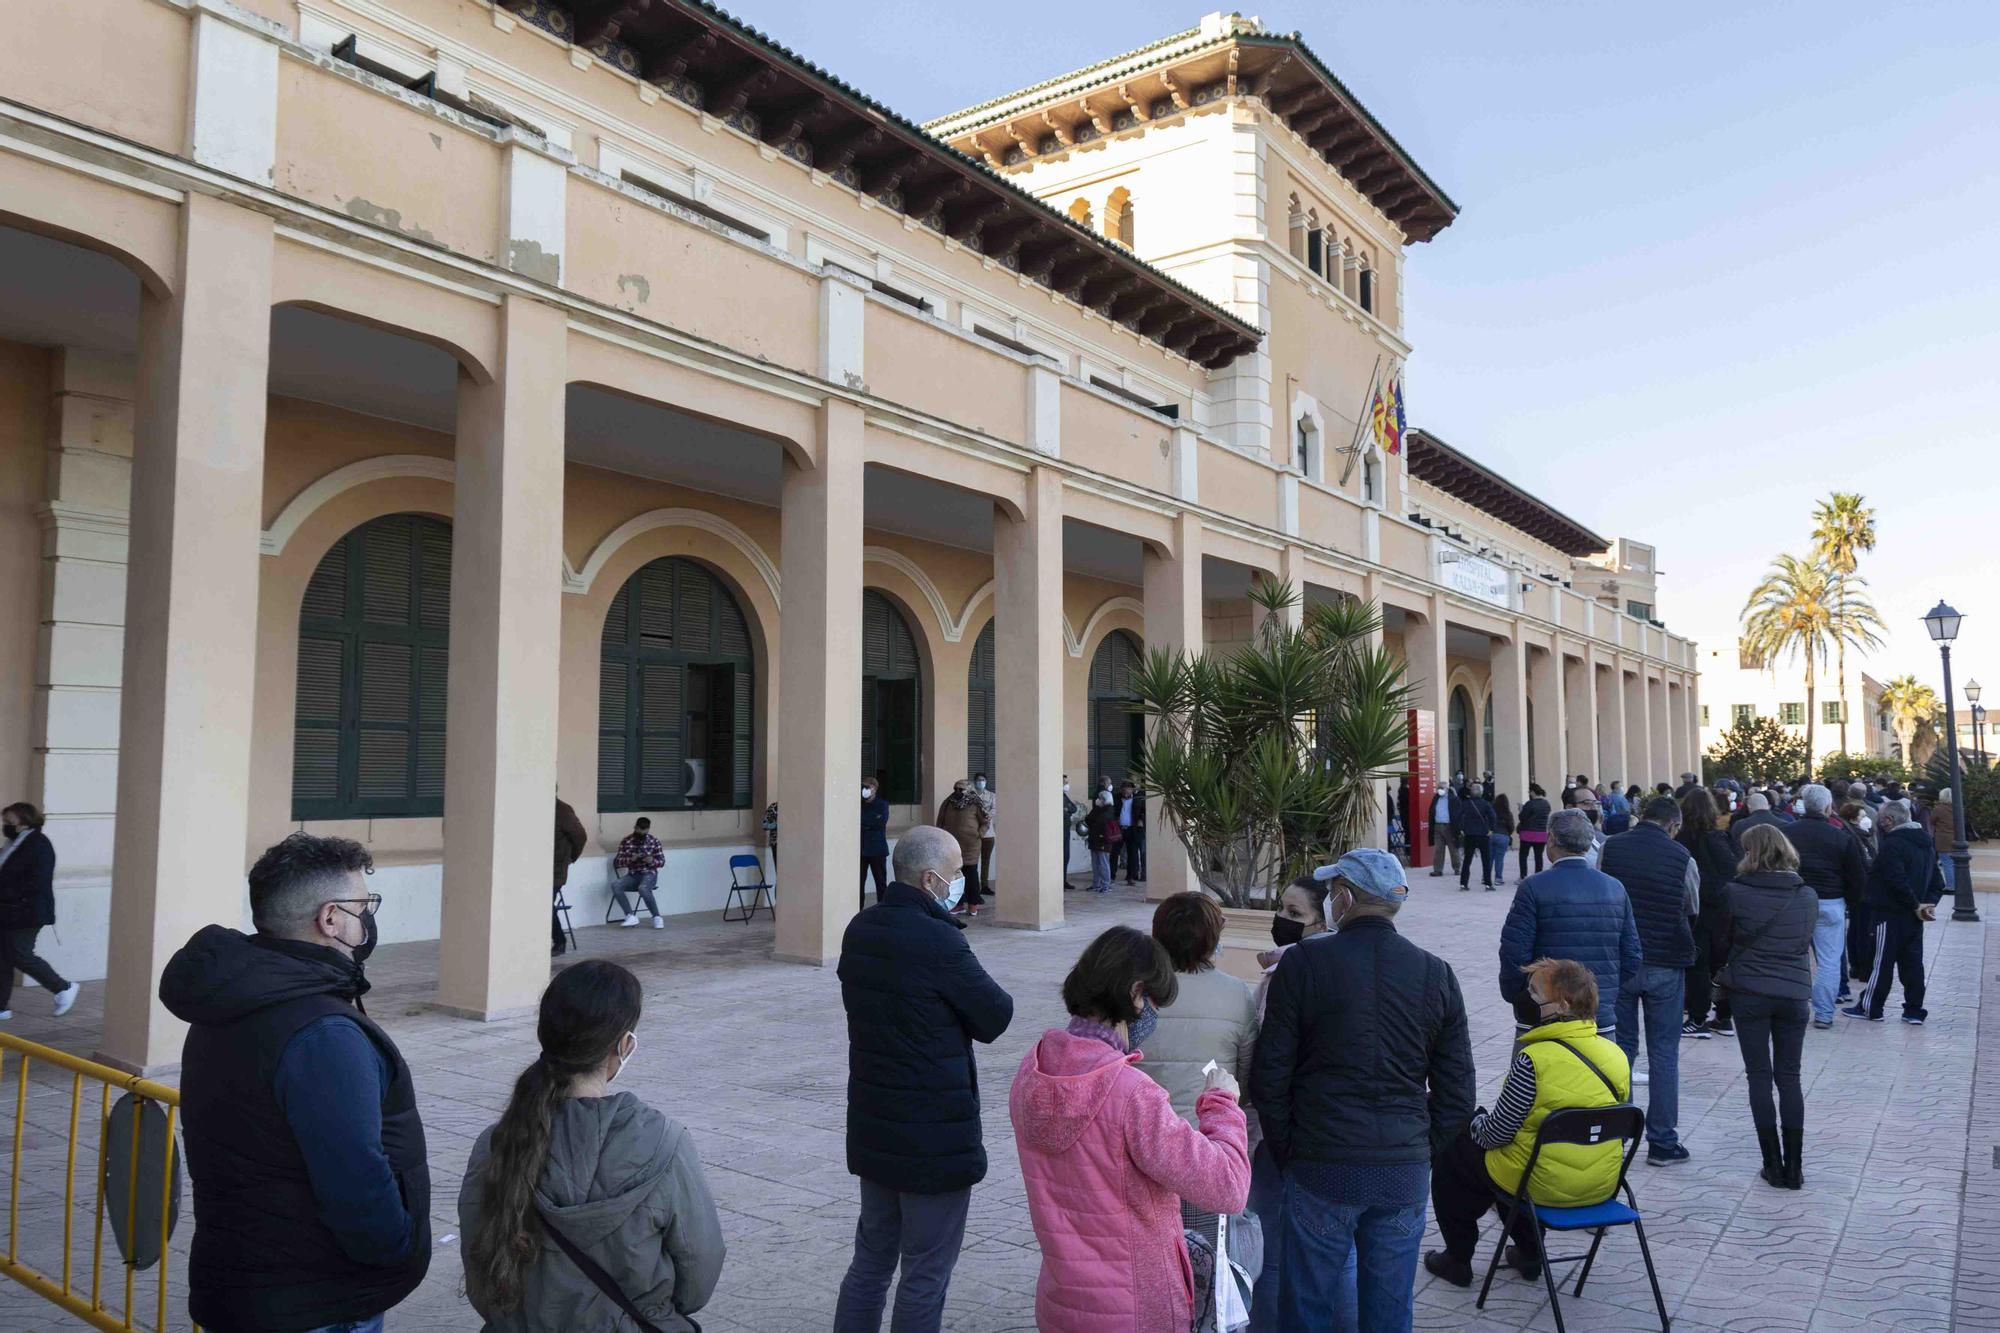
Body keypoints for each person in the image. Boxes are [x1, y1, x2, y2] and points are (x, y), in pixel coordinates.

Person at [159, 833, 429, 1333]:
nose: (366, 918)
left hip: (249, 1282)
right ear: (330, 919)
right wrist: (397, 1248)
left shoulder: (237, 998)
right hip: (318, 1302)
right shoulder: (321, 1033)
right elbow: (355, 1179)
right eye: (362, 905)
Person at [1250, 850, 1476, 1332]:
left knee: (1306, 1305)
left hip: (1323, 1164)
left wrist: (1292, 1151)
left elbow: (1271, 1075)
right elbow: (1458, 1093)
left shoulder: (1305, 963)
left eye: (1333, 892)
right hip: (1399, 1170)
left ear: (1346, 898)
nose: (1331, 900)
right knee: (1390, 1309)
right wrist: (1418, 1149)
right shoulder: (1436, 973)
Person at [459, 960, 724, 1330]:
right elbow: (698, 1275)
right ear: (624, 1045)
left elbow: (481, 1277)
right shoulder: (666, 1143)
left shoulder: (496, 1144)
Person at [1010, 926, 1250, 1333]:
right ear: (1136, 994)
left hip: (1063, 1301)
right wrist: (1222, 1105)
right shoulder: (1132, 1094)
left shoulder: (1033, 1070)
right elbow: (1227, 1187)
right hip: (1137, 1307)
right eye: (1155, 1001)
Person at [835, 826, 1014, 1332]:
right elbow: (996, 1015)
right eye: (957, 873)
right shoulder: (938, 940)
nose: (962, 881)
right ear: (932, 878)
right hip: (933, 1136)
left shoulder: (862, 928)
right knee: (925, 1271)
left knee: (870, 1259)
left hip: (877, 1125)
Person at [1423, 958, 1631, 1289]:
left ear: (1561, 1005)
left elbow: (1496, 1134)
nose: (1525, 999)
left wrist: (1474, 1122)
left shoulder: (1533, 1060)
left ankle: (1457, 1258)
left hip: (1541, 1183)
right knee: (1521, 1157)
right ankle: (1530, 1253)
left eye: (1534, 993)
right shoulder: (1615, 1054)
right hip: (1600, 1184)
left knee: (1458, 1154)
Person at [1712, 825, 1817, 1189]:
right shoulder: (1806, 895)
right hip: (1793, 994)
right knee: (1790, 1077)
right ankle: (1795, 1168)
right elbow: (1804, 941)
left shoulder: (1735, 892)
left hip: (1750, 993)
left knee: (1759, 1076)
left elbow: (1721, 942)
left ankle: (1772, 1163)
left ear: (1750, 853)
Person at [1598, 795, 1697, 1164]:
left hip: (1620, 962)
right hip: (1666, 963)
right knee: (1664, 1052)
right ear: (1674, 825)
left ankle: (1617, 1137)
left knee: (1620, 1049)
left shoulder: (1612, 848)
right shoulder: (1682, 857)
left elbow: (1602, 896)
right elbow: (1692, 907)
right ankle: (1662, 1142)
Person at [1498, 809, 1642, 1036]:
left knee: (1535, 1072)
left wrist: (1523, 999)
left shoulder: (1534, 887)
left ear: (1552, 840)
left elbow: (1514, 953)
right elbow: (1632, 955)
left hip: (1544, 1017)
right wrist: (1603, 991)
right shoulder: (1615, 888)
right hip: (1597, 1017)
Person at [1847, 802, 1945, 1025]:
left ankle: (1871, 1006)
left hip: (1889, 913)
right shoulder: (1926, 843)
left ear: (1889, 820)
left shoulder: (1892, 844)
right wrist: (1926, 905)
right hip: (1914, 916)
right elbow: (1937, 881)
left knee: (1881, 961)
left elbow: (1895, 879)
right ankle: (1913, 1010)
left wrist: (1914, 904)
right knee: (1912, 964)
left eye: (1882, 819)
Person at [1780, 784, 1867, 1028]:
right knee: (1829, 960)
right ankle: (1824, 1014)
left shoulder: (1786, 833)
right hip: (1831, 902)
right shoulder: (1841, 836)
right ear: (1829, 808)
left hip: (1794, 901)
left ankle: (1791, 1010)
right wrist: (1851, 903)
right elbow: (1856, 876)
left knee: (1791, 957)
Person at [0, 803, 79, 1019]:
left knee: (19, 954)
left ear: (24, 821)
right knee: (3, 956)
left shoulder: (38, 844)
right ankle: (1, 1007)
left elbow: (35, 881)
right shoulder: (13, 844)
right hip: (9, 911)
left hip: (28, 911)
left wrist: (6, 894)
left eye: (9, 821)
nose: (5, 825)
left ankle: (63, 988)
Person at [1676, 789, 1737, 1039]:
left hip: (1696, 909)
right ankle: (1723, 1016)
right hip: (1723, 909)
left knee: (1698, 965)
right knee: (1720, 963)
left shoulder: (1681, 841)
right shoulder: (1721, 838)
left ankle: (1698, 1018)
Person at [935, 779, 987, 917]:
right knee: (955, 876)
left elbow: (985, 821)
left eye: (961, 789)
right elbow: (940, 820)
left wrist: (979, 834)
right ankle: (958, 904)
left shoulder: (976, 804)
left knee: (970, 874)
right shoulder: (948, 802)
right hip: (952, 845)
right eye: (956, 789)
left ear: (968, 790)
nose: (957, 792)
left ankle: (973, 904)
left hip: (971, 846)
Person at [609, 816, 666, 929]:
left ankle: (657, 917)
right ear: (635, 827)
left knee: (643, 888)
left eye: (643, 830)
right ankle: (630, 916)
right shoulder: (626, 841)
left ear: (648, 829)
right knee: (616, 885)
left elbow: (662, 862)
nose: (640, 832)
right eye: (639, 829)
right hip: (633, 874)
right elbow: (617, 862)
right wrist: (631, 859)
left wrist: (651, 861)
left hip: (649, 874)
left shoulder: (654, 841)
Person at [554, 794, 587, 956]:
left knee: (546, 906)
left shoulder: (562, 810)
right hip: (537, 868)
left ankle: (559, 941)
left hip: (555, 869)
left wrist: (571, 857)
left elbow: (580, 836)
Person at [1456, 783, 1497, 891]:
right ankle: (1488, 884)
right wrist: (1491, 829)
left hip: (1469, 834)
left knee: (1467, 860)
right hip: (1483, 834)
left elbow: (1458, 816)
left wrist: (1462, 829)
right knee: (1486, 860)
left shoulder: (1465, 803)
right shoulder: (1485, 804)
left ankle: (1463, 884)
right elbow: (1493, 816)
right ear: (1481, 792)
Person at [860, 778, 891, 911]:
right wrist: (868, 822)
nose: (864, 789)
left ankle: (882, 910)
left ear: (874, 789)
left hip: (877, 850)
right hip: (861, 850)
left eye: (867, 787)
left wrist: (864, 823)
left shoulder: (882, 804)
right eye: (863, 786)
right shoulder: (859, 804)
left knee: (880, 882)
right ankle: (858, 908)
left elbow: (879, 822)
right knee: (859, 883)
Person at [1083, 792, 1119, 893]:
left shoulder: (1109, 810)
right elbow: (1088, 819)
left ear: (1105, 799)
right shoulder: (1098, 809)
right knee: (1095, 863)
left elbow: (1100, 821)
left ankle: (1106, 885)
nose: (1098, 800)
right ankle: (1096, 884)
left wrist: (1093, 820)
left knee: (1103, 863)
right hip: (1094, 839)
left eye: (1100, 798)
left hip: (1103, 840)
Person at [1515, 784, 1551, 879]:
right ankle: (1538, 875)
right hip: (1541, 834)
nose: (1529, 794)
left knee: (1523, 855)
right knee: (1538, 856)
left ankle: (1523, 875)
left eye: (1529, 792)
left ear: (1533, 792)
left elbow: (1522, 817)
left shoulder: (1530, 804)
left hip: (1527, 833)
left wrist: (1521, 810)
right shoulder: (1546, 804)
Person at [1115, 781, 1148, 885]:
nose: (1126, 792)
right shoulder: (1116, 798)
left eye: (1128, 789)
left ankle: (1131, 876)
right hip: (1119, 829)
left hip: (1132, 829)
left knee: (1132, 854)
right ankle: (1111, 876)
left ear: (1132, 790)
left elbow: (1144, 811)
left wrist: (1141, 819)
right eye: (1124, 789)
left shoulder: (1138, 799)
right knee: (1115, 852)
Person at [972, 773, 997, 897]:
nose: (981, 782)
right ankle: (974, 886)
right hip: (974, 833)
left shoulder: (992, 796)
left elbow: (994, 810)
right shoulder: (970, 796)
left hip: (989, 833)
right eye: (978, 780)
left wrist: (985, 814)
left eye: (983, 780)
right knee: (973, 860)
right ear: (974, 782)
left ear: (986, 781)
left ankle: (985, 885)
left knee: (986, 861)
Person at [1427, 782, 1459, 877]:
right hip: (1437, 826)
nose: (1440, 789)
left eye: (1442, 788)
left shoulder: (1453, 799)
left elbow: (1458, 813)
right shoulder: (1436, 798)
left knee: (1453, 848)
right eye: (1439, 787)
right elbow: (1431, 811)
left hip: (1449, 826)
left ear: (1447, 789)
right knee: (1438, 849)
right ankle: (1438, 870)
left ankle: (1457, 868)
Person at [1931, 789, 1958, 890]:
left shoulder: (1939, 809)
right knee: (1955, 863)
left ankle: (1951, 886)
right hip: (1956, 838)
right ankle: (1958, 884)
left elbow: (1932, 820)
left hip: (1943, 839)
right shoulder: (1957, 808)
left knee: (1947, 863)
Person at [1490, 793, 1515, 887]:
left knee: (1489, 858)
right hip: (1503, 836)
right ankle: (1498, 878)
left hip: (1491, 835)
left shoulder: (1491, 811)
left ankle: (1486, 877)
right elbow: (1511, 827)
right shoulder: (1508, 814)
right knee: (1499, 859)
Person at [1060, 775, 1080, 887]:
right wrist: (1066, 810)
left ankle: (1064, 880)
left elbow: (1073, 808)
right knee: (1060, 856)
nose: (1066, 784)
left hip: (1066, 829)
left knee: (1066, 856)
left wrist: (1067, 809)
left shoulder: (1064, 795)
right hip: (1060, 830)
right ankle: (1060, 881)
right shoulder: (1054, 795)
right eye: (1064, 782)